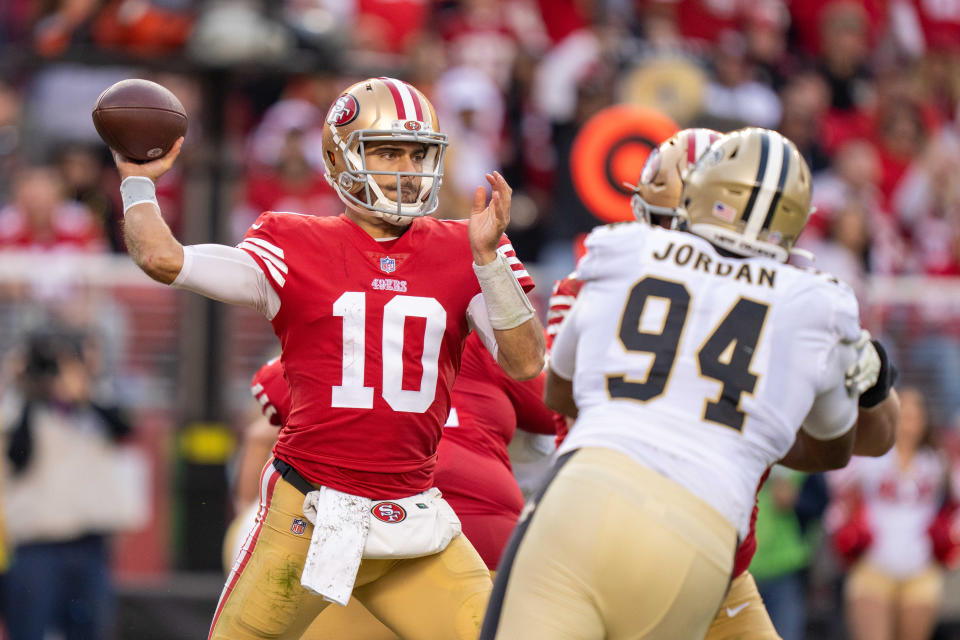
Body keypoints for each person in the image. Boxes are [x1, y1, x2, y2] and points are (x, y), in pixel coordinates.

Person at [110, 76, 545, 640]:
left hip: (412, 511)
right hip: (316, 512)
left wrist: (489, 262)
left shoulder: (469, 245)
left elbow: (525, 362)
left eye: (418, 153)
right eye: (388, 150)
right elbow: (163, 258)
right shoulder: (293, 240)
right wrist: (138, 185)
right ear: (340, 158)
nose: (407, 169)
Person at [481, 127, 899, 640]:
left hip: (590, 498)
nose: (658, 232)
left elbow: (560, 394)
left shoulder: (617, 254)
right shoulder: (809, 303)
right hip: (706, 537)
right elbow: (847, 447)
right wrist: (747, 426)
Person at [228, 334, 558, 639]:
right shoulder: (479, 342)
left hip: (362, 529)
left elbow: (266, 419)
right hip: (484, 527)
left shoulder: (341, 339)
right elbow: (556, 407)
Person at [0, 326, 137, 640]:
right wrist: (28, 391)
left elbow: (125, 429)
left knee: (88, 630)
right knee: (29, 630)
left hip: (89, 545)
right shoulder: (20, 407)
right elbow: (18, 456)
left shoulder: (97, 402)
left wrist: (83, 396)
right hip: (36, 546)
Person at [832, 387, 949, 640]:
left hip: (920, 569)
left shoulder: (936, 464)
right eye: (903, 414)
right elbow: (838, 489)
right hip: (873, 567)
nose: (908, 423)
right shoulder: (868, 459)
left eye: (915, 415)